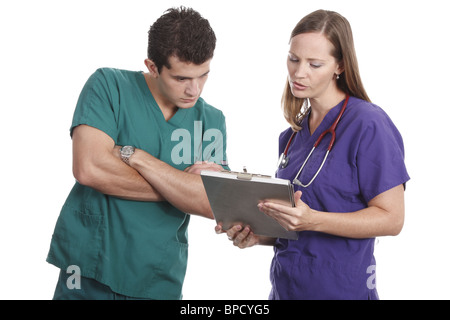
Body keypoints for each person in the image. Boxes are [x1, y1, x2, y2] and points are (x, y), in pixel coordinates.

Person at [216, 9, 409, 300]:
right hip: (285, 290)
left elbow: (392, 219)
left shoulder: (368, 125)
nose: (298, 72)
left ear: (340, 66)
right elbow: (296, 224)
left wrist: (313, 220)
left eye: (314, 64)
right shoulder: (292, 135)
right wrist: (258, 235)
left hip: (343, 291)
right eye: (293, 59)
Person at [47, 6, 228, 300]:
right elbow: (90, 168)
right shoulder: (108, 86)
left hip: (158, 275)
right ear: (153, 67)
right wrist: (182, 186)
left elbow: (212, 202)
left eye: (203, 75)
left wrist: (136, 157)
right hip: (87, 267)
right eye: (181, 78)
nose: (194, 90)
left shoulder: (211, 120)